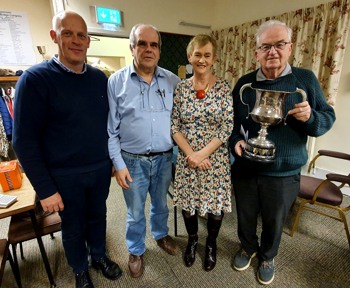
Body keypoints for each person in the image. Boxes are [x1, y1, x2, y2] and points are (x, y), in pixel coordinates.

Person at [12, 11, 122, 288]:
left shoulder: (99, 79)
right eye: (67, 33)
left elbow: (106, 125)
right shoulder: (34, 80)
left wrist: (111, 159)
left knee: (98, 217)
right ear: (54, 37)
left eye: (82, 35)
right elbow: (23, 142)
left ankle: (98, 257)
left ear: (88, 41)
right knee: (72, 226)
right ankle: (79, 269)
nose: (76, 40)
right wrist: (45, 189)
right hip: (63, 175)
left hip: (98, 170)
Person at [230, 19, 336, 285]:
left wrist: (311, 116)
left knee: (275, 220)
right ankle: (248, 247)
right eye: (266, 46)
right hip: (246, 167)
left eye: (279, 44)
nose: (272, 52)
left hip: (284, 170)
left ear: (290, 48)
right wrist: (234, 142)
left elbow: (327, 118)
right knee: (244, 214)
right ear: (256, 53)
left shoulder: (305, 80)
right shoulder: (244, 82)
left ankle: (267, 255)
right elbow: (230, 125)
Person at [107, 23, 180, 278]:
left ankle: (160, 235)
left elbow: (180, 124)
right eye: (142, 43)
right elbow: (111, 131)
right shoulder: (116, 82)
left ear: (159, 50)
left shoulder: (173, 81)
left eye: (154, 44)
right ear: (132, 48)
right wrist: (118, 165)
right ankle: (136, 249)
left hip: (164, 160)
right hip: (132, 161)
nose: (148, 49)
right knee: (135, 210)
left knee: (161, 204)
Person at [171, 34, 234, 271]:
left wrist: (203, 154)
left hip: (215, 160)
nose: (202, 59)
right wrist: (192, 155)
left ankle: (210, 244)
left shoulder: (223, 87)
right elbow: (174, 126)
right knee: (188, 205)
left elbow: (227, 126)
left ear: (214, 58)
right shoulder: (181, 88)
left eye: (207, 55)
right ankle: (193, 240)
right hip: (188, 160)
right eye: (197, 54)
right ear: (190, 56)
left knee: (215, 208)